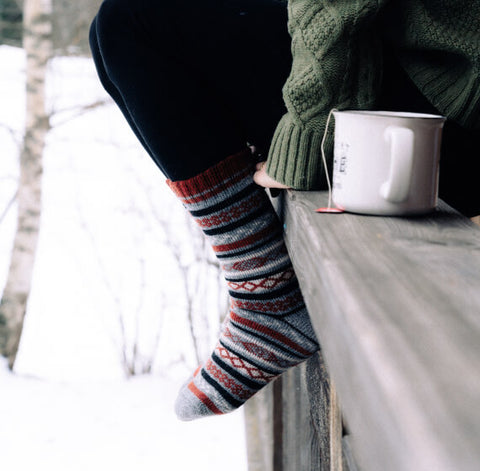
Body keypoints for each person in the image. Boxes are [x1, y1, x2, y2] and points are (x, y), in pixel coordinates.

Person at [89, 0, 479, 420]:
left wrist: (309, 136)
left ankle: (268, 296)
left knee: (132, 21)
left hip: (442, 118)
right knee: (115, 29)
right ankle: (264, 291)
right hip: (434, 94)